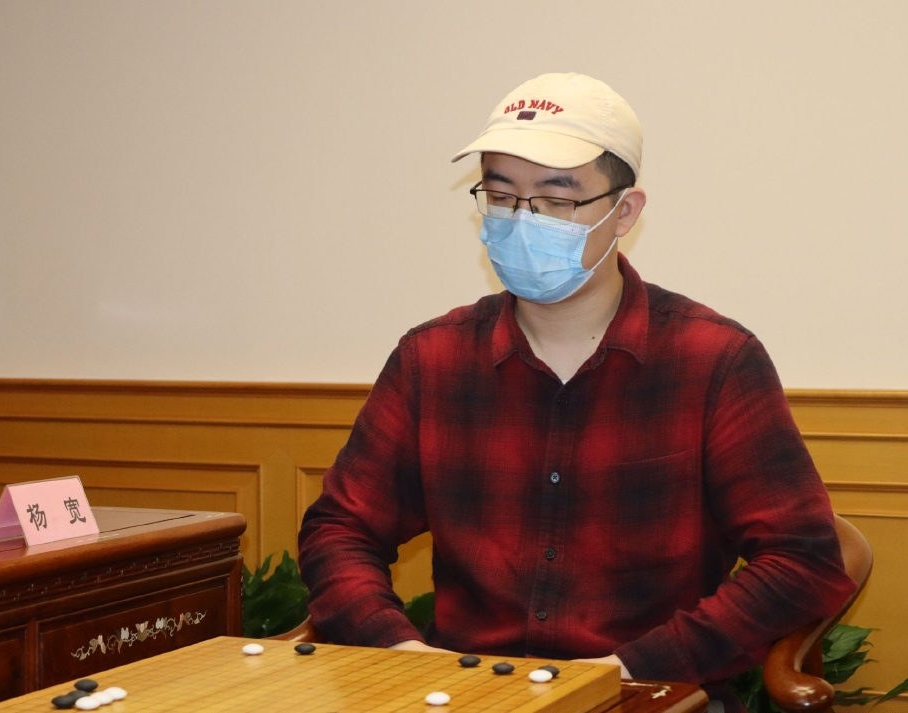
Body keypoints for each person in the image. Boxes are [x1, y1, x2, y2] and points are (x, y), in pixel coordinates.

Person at [297, 72, 856, 705]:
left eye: (556, 198)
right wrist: (404, 656)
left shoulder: (713, 360)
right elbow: (340, 530)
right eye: (501, 196)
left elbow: (801, 561)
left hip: (646, 693)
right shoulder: (432, 358)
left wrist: (629, 669)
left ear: (625, 212)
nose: (522, 219)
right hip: (465, 695)